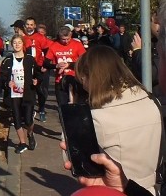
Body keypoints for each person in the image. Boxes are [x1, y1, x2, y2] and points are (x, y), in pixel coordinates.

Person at [75, 45, 162, 194]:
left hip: (116, 189)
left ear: (89, 77)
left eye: (82, 79)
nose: (83, 85)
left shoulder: (96, 118)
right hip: (150, 189)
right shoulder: (152, 101)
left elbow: (78, 162)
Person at [0, 34, 39, 153]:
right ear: (12, 44)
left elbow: (37, 74)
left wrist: (36, 80)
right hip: (14, 93)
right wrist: (8, 83)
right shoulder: (7, 60)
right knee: (17, 119)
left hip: (28, 92)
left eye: (19, 43)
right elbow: (2, 77)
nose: (17, 45)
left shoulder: (29, 59)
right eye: (15, 43)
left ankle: (30, 134)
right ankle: (22, 143)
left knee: (27, 120)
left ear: (23, 45)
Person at [45, 25, 87, 106]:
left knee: (76, 106)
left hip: (76, 78)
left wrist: (69, 65)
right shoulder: (54, 45)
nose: (66, 41)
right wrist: (56, 66)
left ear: (71, 35)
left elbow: (85, 61)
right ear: (59, 37)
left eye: (68, 39)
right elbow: (46, 63)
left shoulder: (77, 44)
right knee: (62, 107)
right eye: (63, 39)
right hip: (60, 80)